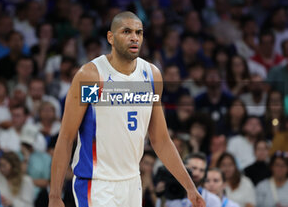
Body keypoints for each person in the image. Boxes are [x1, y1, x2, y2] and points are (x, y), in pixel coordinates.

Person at [48, 12, 205, 207]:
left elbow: (161, 140)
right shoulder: (93, 76)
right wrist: (54, 195)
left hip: (132, 182)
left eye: (139, 32)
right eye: (126, 31)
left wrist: (190, 187)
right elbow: (66, 137)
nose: (134, 37)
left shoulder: (151, 76)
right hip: (97, 184)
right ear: (110, 38)